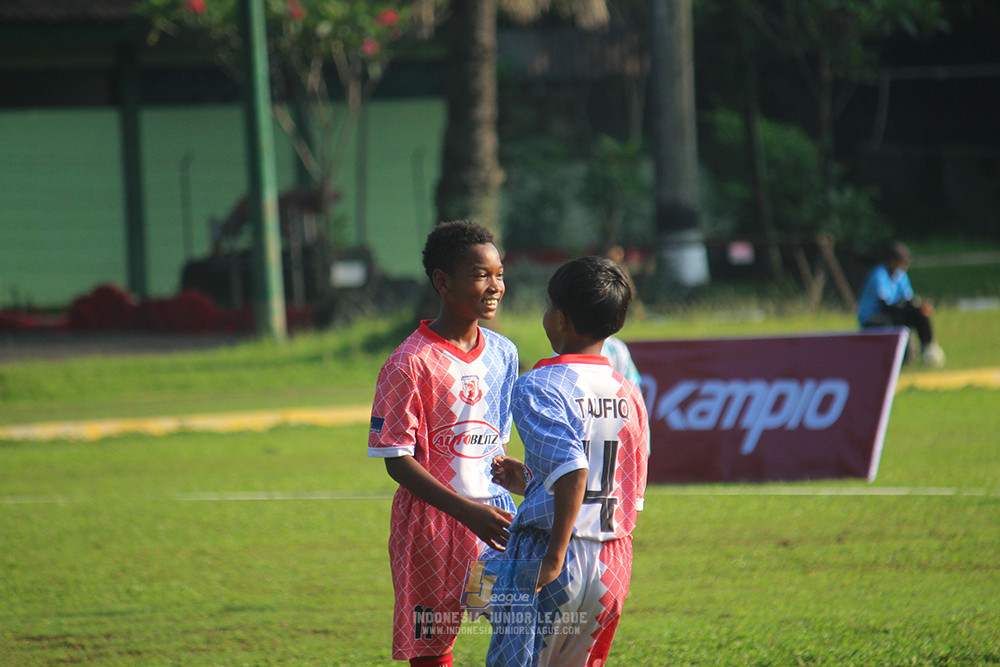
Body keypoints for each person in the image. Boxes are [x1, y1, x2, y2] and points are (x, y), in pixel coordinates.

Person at [368, 220, 519, 667]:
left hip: (493, 521)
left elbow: (492, 444)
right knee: (433, 645)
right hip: (431, 528)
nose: (495, 286)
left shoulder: (504, 353)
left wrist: (518, 477)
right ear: (442, 281)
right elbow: (396, 460)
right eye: (480, 275)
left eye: (499, 273)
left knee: (517, 623)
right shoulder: (409, 363)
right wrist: (463, 511)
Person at [487, 256, 649, 667]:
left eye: (546, 307)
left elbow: (574, 471)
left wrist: (555, 558)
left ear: (560, 319)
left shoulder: (537, 385)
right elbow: (614, 484)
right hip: (613, 560)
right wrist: (530, 481)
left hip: (549, 551)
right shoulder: (629, 392)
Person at [857, 241, 945, 367]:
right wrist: (907, 309)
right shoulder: (879, 275)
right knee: (899, 317)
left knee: (920, 314)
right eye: (902, 261)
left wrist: (919, 307)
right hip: (873, 317)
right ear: (892, 261)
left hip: (894, 312)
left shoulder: (900, 275)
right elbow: (885, 305)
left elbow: (908, 299)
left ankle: (928, 348)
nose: (905, 264)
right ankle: (902, 355)